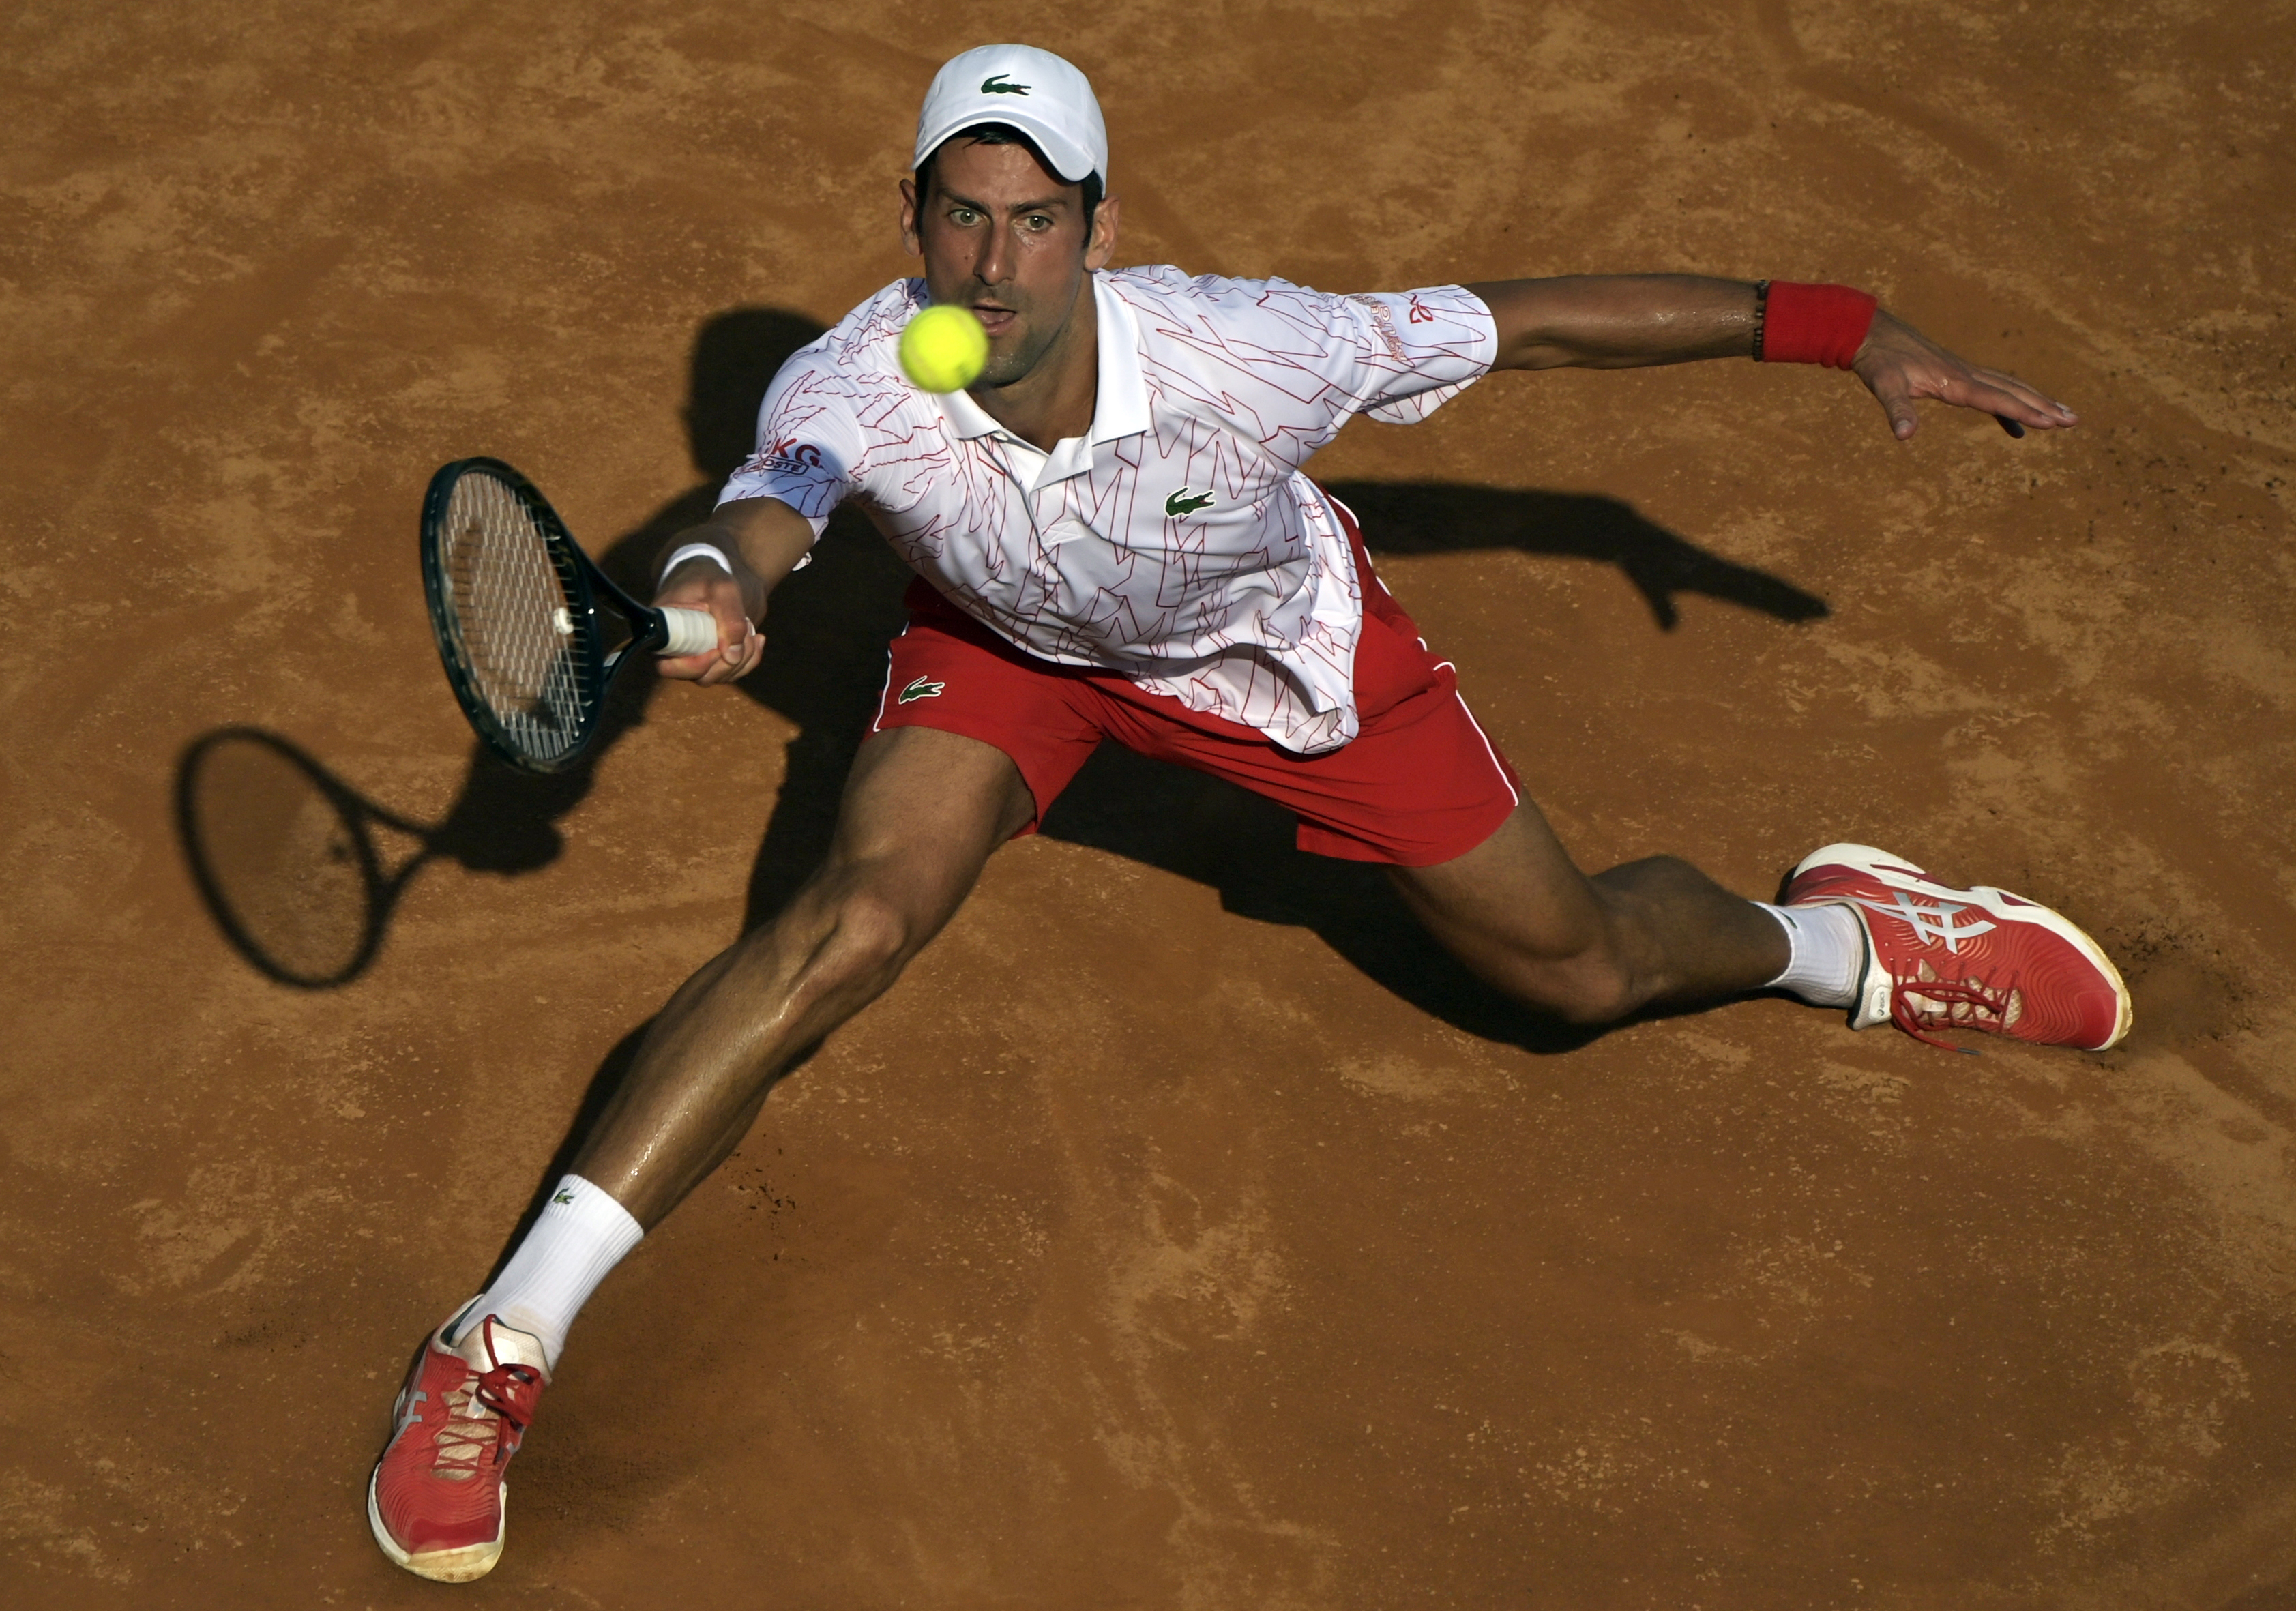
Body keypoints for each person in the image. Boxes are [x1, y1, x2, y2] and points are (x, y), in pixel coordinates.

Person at [366, 43, 2130, 1582]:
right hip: (1009, 654)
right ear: (913, 220)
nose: (995, 260)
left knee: (1577, 972)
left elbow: (1532, 324)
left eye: (1034, 219)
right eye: (962, 216)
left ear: (1097, 226)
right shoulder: (857, 380)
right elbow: (767, 509)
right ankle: (499, 1339)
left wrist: (1841, 327)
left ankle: (1843, 938)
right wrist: (715, 581)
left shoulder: (1249, 350)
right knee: (850, 923)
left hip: (1285, 669)